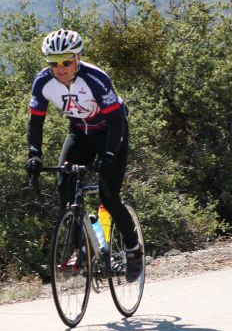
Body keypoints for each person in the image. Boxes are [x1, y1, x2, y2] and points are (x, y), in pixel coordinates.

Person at [24, 29, 143, 281]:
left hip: (111, 131)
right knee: (64, 186)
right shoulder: (42, 82)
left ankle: (133, 247)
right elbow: (36, 122)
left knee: (108, 195)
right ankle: (81, 248)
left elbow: (117, 122)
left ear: (78, 57)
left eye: (66, 61)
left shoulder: (95, 78)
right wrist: (34, 155)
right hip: (80, 132)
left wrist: (109, 155)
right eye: (53, 63)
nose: (60, 68)